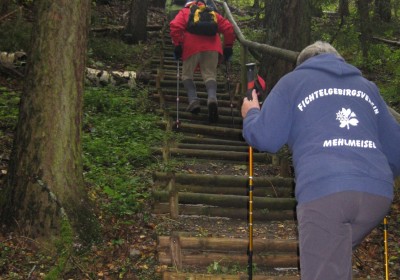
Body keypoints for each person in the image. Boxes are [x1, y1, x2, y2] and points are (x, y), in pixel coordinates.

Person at [241, 41, 400, 280]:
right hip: (376, 195)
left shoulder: (293, 82)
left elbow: (266, 137)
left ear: (303, 64)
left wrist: (251, 113)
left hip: (325, 192)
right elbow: (396, 150)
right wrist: (369, 174)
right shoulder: (367, 88)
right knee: (333, 264)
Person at [170, 0, 235, 123]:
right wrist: (228, 46)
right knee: (210, 75)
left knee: (187, 75)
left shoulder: (185, 12)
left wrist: (177, 44)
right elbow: (228, 28)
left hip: (191, 47)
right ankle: (212, 99)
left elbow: (175, 26)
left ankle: (193, 100)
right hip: (212, 47)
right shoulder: (212, 13)